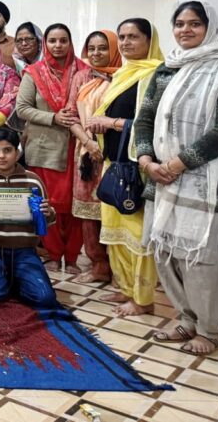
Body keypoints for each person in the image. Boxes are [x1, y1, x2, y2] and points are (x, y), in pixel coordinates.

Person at [136, 1, 218, 355]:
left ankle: (210, 329)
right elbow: (145, 118)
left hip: (206, 185)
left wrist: (178, 164)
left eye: (195, 24)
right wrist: (146, 159)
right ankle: (186, 319)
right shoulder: (167, 68)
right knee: (166, 253)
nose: (186, 30)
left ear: (209, 27)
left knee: (202, 259)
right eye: (180, 23)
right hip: (161, 181)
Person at [86, 19, 161, 312]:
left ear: (149, 40)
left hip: (138, 166)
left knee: (137, 234)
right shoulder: (123, 73)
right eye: (122, 37)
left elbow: (153, 124)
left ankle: (142, 299)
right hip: (115, 162)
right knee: (115, 231)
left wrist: (111, 123)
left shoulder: (156, 74)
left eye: (134, 37)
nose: (127, 42)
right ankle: (126, 288)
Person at [15, 23, 88, 275]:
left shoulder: (85, 72)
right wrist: (53, 118)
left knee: (75, 205)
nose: (58, 46)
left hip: (77, 148)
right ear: (45, 43)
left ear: (70, 42)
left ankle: (73, 257)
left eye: (63, 40)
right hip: (44, 148)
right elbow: (22, 108)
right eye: (52, 41)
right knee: (48, 203)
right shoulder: (34, 73)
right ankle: (54, 255)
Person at [0, 129, 57, 307]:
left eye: (7, 150)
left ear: (17, 152)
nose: (1, 156)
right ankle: (4, 278)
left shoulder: (33, 181)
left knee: (45, 297)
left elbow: (44, 221)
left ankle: (15, 278)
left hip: (24, 249)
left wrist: (48, 213)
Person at [66, 30, 122, 285]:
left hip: (116, 153)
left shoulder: (124, 75)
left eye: (103, 48)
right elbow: (71, 116)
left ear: (114, 49)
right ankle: (98, 265)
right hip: (86, 154)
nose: (96, 53)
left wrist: (103, 144)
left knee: (113, 208)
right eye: (92, 48)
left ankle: (119, 268)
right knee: (88, 211)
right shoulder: (82, 77)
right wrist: (89, 144)